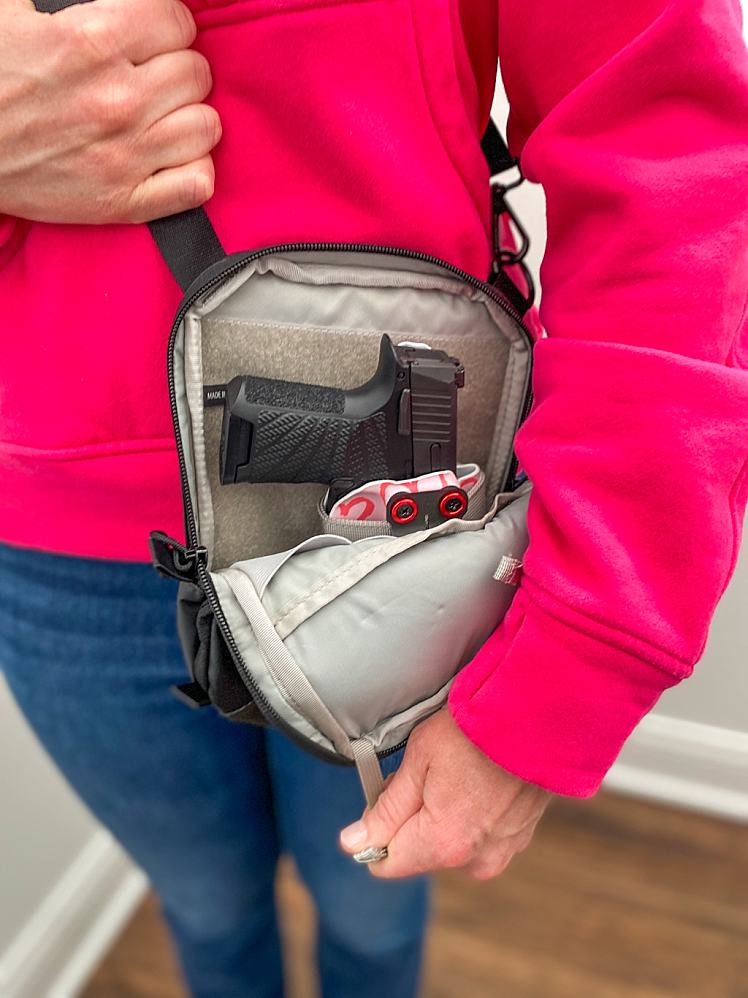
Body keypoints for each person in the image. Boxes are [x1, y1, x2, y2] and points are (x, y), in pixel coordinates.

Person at [1, 0, 746, 994]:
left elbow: (669, 169)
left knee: (371, 909)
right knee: (208, 907)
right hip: (53, 536)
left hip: (402, 520)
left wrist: (572, 657)